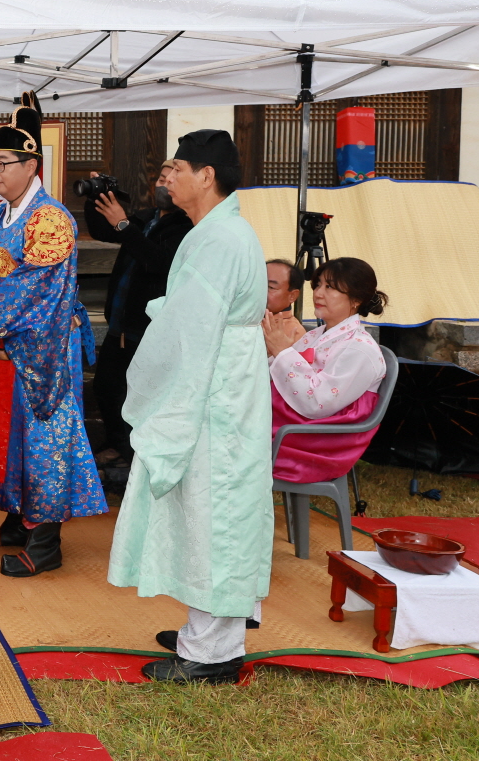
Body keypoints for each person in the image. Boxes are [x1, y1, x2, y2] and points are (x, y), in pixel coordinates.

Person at [107, 129, 271, 685]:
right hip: (222, 376)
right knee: (209, 505)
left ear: (207, 175)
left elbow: (193, 327)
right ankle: (206, 630)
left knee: (215, 509)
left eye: (176, 168)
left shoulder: (221, 237)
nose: (166, 177)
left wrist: (159, 387)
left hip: (215, 385)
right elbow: (187, 315)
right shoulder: (215, 231)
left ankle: (212, 653)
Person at [0, 100, 107, 578]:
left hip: (42, 351)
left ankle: (45, 542)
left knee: (44, 442)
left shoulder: (52, 218)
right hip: (1, 344)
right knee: (8, 437)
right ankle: (16, 521)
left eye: (3, 164)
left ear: (31, 165)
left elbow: (33, 284)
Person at [83, 163, 193, 467]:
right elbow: (103, 230)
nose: (164, 184)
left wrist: (123, 225)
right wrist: (96, 198)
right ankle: (117, 445)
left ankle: (133, 454)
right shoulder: (146, 217)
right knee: (106, 387)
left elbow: (157, 262)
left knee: (140, 394)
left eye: (171, 178)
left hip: (149, 329)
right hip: (119, 323)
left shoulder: (187, 226)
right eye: (161, 178)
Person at [261, 257, 388, 484]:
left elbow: (318, 402)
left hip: (317, 443)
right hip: (295, 427)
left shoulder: (360, 349)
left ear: (356, 299)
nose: (318, 293)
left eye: (330, 287)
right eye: (318, 285)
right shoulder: (315, 335)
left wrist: (282, 352)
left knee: (225, 440)